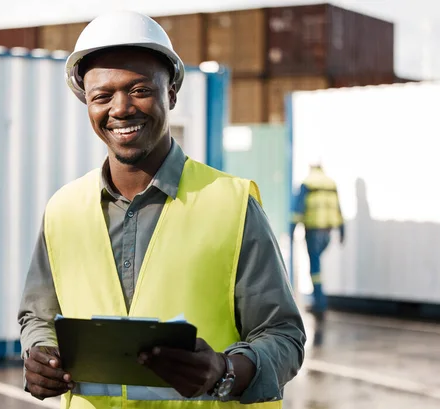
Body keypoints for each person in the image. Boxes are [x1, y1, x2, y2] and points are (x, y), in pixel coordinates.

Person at [18, 10, 305, 409]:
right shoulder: (63, 209)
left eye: (139, 90)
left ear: (170, 93)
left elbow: (283, 336)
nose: (120, 108)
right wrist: (38, 356)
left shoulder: (232, 204)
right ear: (87, 103)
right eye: (102, 95)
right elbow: (37, 317)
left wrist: (225, 372)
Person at [291, 163, 345, 320]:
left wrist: (292, 229)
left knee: (315, 269)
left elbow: (297, 209)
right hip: (328, 231)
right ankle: (319, 301)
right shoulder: (330, 183)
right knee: (318, 266)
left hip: (313, 230)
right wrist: (342, 231)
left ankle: (319, 303)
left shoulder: (307, 183)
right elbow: (338, 209)